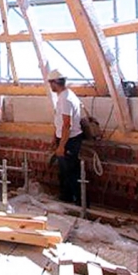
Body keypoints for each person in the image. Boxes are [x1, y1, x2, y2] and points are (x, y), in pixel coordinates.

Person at [47, 68, 83, 204]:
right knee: (64, 171)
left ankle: (79, 201)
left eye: (51, 83)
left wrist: (61, 146)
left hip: (69, 140)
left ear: (56, 82)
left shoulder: (66, 99)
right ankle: (66, 197)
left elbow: (67, 125)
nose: (50, 86)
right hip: (64, 138)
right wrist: (54, 138)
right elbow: (60, 121)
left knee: (70, 172)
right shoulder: (65, 96)